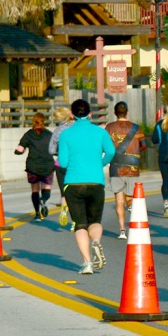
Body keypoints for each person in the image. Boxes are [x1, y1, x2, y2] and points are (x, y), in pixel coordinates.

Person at [57, 99, 116, 274]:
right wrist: (101, 163)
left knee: (80, 224)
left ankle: (87, 263)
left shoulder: (65, 135)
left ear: (71, 115)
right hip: (96, 181)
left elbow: (63, 161)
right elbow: (111, 151)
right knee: (95, 221)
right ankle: (96, 242)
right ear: (90, 114)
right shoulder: (100, 132)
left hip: (74, 183)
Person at [104, 101, 146, 240]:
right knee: (131, 198)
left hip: (116, 167)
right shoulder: (136, 128)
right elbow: (144, 145)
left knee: (119, 200)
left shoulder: (109, 128)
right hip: (133, 167)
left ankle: (122, 229)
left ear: (115, 113)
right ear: (127, 112)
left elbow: (105, 147)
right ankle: (133, 221)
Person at [14, 112, 55, 221]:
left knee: (35, 189)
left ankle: (37, 214)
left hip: (33, 166)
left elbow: (20, 149)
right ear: (44, 121)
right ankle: (44, 200)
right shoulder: (49, 135)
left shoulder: (29, 134)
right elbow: (56, 150)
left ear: (33, 121)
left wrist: (17, 152)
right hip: (47, 166)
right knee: (46, 188)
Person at [48, 106, 75, 229]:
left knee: (64, 193)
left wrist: (58, 152)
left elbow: (51, 149)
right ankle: (75, 220)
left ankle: (64, 209)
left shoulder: (58, 130)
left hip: (60, 164)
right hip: (75, 164)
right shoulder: (77, 128)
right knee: (76, 192)